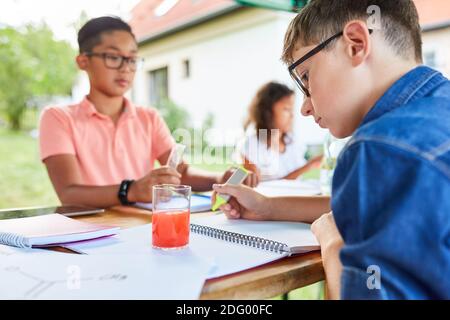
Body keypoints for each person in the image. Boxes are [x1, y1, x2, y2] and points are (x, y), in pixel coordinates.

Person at [213, 0, 450, 299]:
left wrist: (333, 240)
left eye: (306, 78)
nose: (305, 108)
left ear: (355, 43)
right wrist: (268, 207)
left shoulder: (381, 149)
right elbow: (377, 207)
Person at [39, 16, 257, 208]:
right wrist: (131, 190)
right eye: (113, 57)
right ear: (83, 61)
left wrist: (221, 178)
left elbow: (180, 174)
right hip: (88, 233)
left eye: (132, 59)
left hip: (142, 226)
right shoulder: (58, 118)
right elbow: (69, 193)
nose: (126, 67)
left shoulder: (148, 118)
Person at [239, 81, 322, 181]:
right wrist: (309, 166)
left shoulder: (292, 141)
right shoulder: (252, 144)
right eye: (286, 109)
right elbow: (259, 188)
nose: (292, 116)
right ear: (267, 112)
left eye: (292, 110)